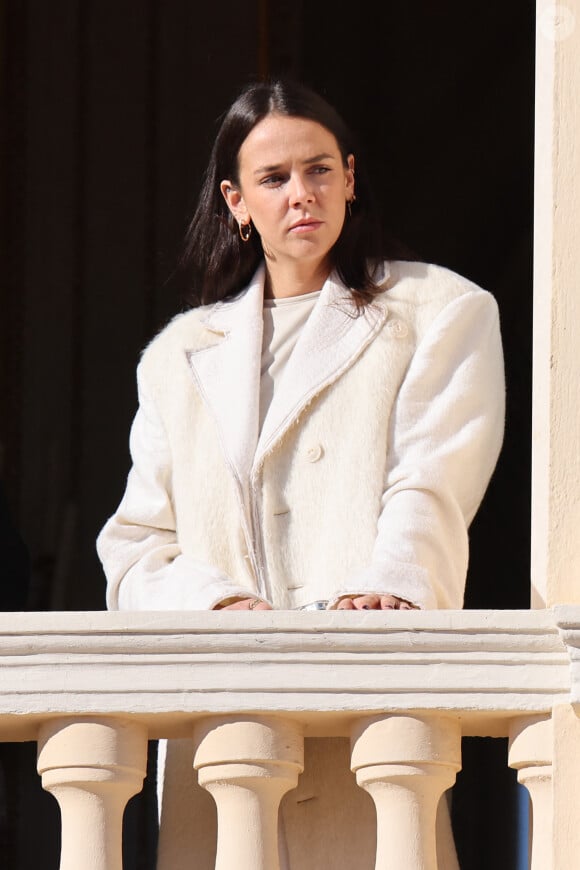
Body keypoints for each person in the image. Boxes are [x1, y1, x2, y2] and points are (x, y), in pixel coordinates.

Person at [96, 77, 505, 868]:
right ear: (235, 202)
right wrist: (218, 604)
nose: (302, 195)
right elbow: (137, 544)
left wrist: (393, 583)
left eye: (319, 170)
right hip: (221, 734)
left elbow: (432, 479)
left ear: (350, 177)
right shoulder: (179, 354)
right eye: (274, 179)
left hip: (370, 715)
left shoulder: (440, 310)